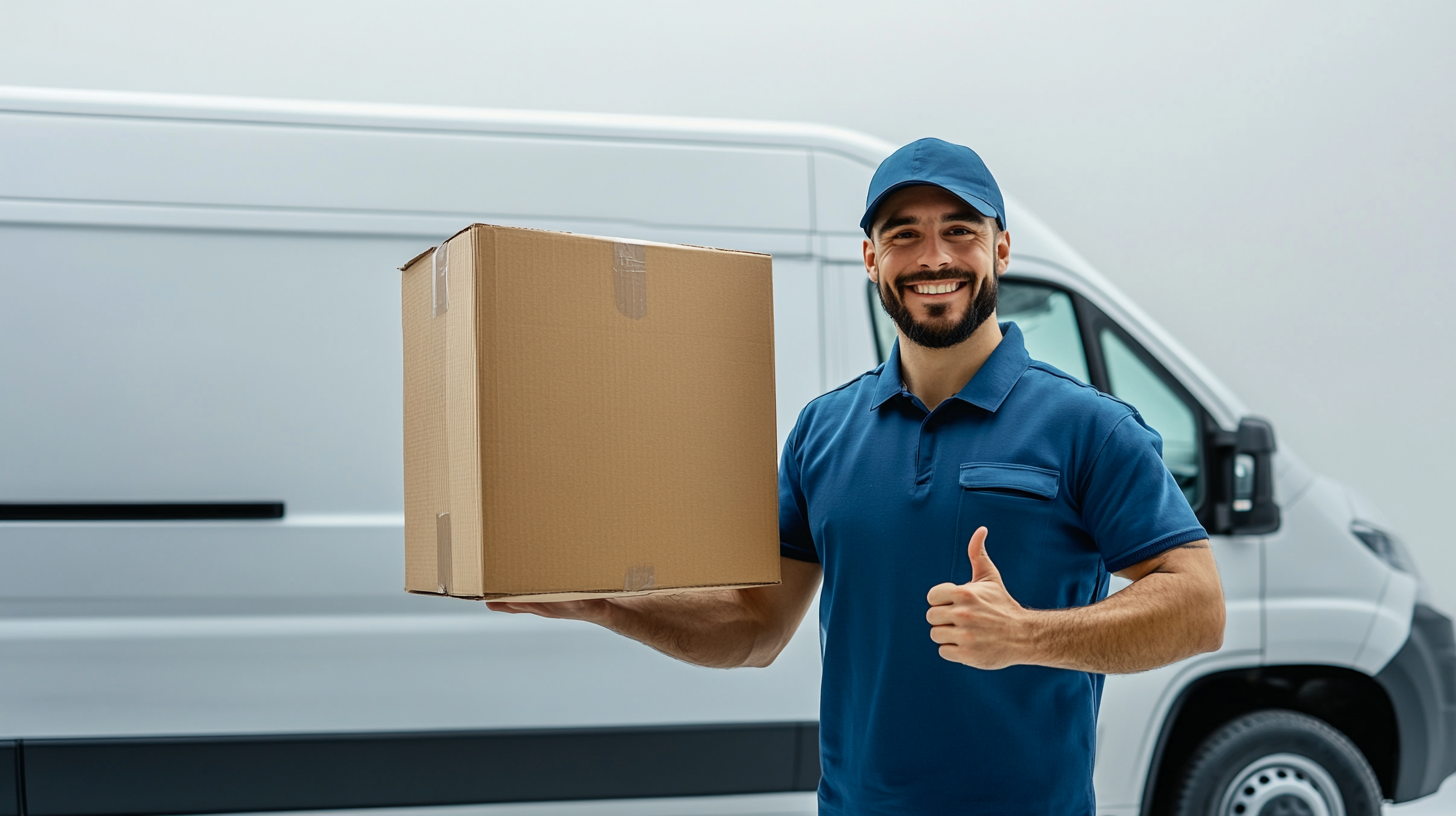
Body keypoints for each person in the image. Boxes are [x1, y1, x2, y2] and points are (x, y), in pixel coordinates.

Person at [488, 137, 1226, 815]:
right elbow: (755, 627)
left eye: (960, 230)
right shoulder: (824, 431)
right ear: (871, 259)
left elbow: (1197, 606)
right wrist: (608, 604)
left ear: (1000, 249)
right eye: (903, 233)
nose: (933, 256)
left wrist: (1026, 635)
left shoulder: (1088, 425)